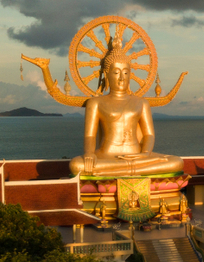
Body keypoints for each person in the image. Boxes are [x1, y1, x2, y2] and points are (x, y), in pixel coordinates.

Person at [69, 37, 184, 177]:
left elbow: (149, 134)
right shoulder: (95, 103)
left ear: (130, 74)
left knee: (176, 162)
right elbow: (90, 135)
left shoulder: (141, 103)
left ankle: (120, 171)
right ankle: (133, 171)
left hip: (137, 156)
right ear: (106, 74)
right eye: (116, 72)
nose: (121, 78)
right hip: (107, 156)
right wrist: (89, 154)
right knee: (76, 165)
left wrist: (145, 153)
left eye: (125, 73)